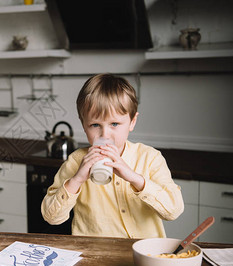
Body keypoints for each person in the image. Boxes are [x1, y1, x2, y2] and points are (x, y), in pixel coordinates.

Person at [41, 73, 184, 239]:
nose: (105, 134)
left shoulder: (150, 158)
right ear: (84, 126)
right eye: (95, 125)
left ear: (132, 122)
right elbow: (51, 218)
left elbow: (173, 211)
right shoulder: (75, 162)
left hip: (145, 255)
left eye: (114, 124)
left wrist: (135, 179)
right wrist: (77, 180)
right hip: (94, 256)